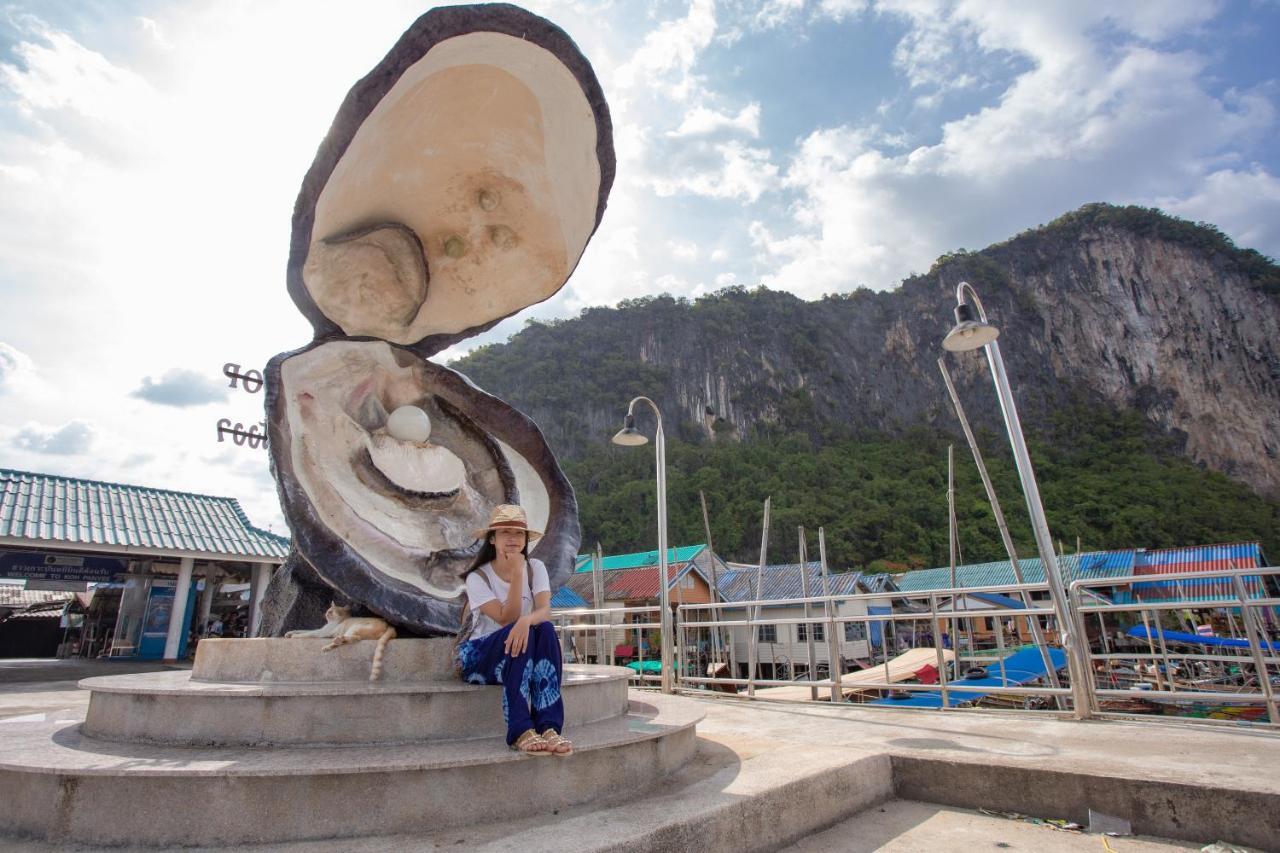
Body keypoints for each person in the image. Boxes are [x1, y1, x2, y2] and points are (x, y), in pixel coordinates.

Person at [454, 504, 571, 756]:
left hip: (519, 647)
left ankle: (549, 725)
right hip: (480, 657)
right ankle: (519, 730)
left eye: (519, 534)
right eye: (505, 532)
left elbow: (544, 610)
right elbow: (506, 618)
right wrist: (517, 574)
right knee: (519, 631)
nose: (512, 539)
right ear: (493, 539)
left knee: (546, 630)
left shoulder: (535, 567)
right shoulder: (478, 578)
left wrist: (525, 621)